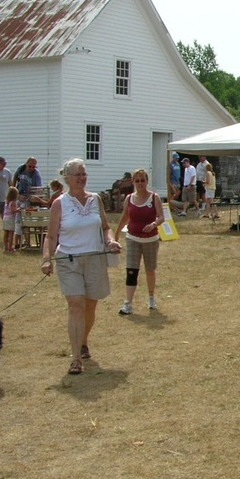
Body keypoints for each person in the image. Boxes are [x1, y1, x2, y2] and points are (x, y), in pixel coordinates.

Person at [40, 158, 121, 375]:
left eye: (84, 173)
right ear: (66, 178)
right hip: (69, 260)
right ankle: (76, 358)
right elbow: (51, 236)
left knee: (90, 305)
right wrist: (47, 259)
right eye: (77, 174)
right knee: (76, 304)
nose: (81, 178)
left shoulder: (96, 199)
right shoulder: (60, 203)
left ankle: (83, 340)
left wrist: (111, 241)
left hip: (95, 258)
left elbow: (105, 227)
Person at [114, 169, 164, 315]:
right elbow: (125, 217)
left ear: (147, 181)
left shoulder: (154, 197)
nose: (140, 183)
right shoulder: (129, 198)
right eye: (137, 181)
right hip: (133, 238)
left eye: (143, 180)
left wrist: (153, 225)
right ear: (133, 183)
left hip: (151, 240)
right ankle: (128, 303)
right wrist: (116, 234)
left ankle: (151, 298)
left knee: (150, 269)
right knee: (131, 270)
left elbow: (161, 217)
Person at [2, 186, 19, 253]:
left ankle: (6, 246)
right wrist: (18, 209)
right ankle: (10, 247)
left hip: (5, 217)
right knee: (11, 233)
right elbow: (13, 211)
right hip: (10, 218)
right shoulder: (13, 202)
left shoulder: (6, 202)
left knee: (6, 233)